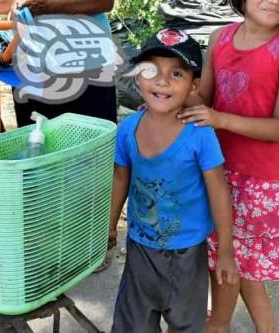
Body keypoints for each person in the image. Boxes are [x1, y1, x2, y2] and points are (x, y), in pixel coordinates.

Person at [178, 0, 279, 333]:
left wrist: (218, 118)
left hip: (258, 184)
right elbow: (204, 100)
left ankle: (218, 326)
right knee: (242, 264)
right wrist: (167, 91)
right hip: (216, 172)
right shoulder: (220, 38)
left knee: (227, 263)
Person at [109, 28, 238, 333]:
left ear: (194, 85)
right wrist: (110, 225)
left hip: (187, 254)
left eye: (176, 73)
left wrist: (225, 252)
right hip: (140, 248)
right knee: (132, 323)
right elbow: (120, 178)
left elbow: (218, 191)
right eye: (151, 70)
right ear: (138, 76)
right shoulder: (128, 129)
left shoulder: (200, 134)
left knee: (185, 324)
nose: (162, 81)